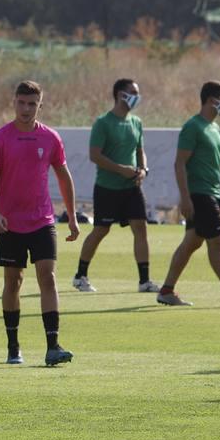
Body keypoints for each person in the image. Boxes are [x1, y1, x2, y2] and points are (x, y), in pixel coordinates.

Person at [0, 81, 79, 367]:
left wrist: (71, 216)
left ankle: (53, 345)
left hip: (42, 220)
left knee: (47, 277)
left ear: (40, 105)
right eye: (22, 103)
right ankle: (13, 346)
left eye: (32, 104)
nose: (26, 109)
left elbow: (63, 176)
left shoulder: (50, 138)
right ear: (14, 102)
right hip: (10, 223)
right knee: (13, 281)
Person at [156, 81, 220, 308]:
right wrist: (185, 198)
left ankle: (166, 290)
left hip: (212, 193)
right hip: (200, 194)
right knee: (217, 242)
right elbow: (180, 163)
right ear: (211, 100)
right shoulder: (193, 127)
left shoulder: (214, 129)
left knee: (192, 242)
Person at [73, 78, 160, 294]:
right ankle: (80, 275)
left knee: (140, 228)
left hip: (132, 188)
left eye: (137, 92)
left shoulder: (136, 122)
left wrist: (143, 169)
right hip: (107, 187)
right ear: (120, 94)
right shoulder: (103, 123)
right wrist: (121, 169)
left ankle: (144, 280)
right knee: (101, 230)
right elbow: (95, 155)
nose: (136, 96)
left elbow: (140, 150)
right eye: (132, 92)